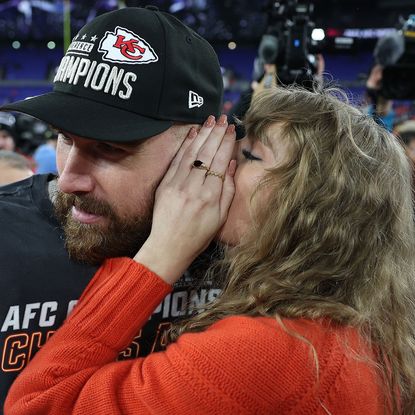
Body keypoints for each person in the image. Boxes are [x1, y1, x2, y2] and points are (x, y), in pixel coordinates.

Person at [5, 86, 415, 414]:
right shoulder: (360, 320)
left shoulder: (272, 349)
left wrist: (162, 253)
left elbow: (39, 406)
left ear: (312, 205)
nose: (215, 163)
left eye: (249, 155)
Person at [0, 5, 223, 409]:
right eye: (65, 139)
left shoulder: (252, 244)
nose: (68, 179)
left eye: (109, 148)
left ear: (201, 142)